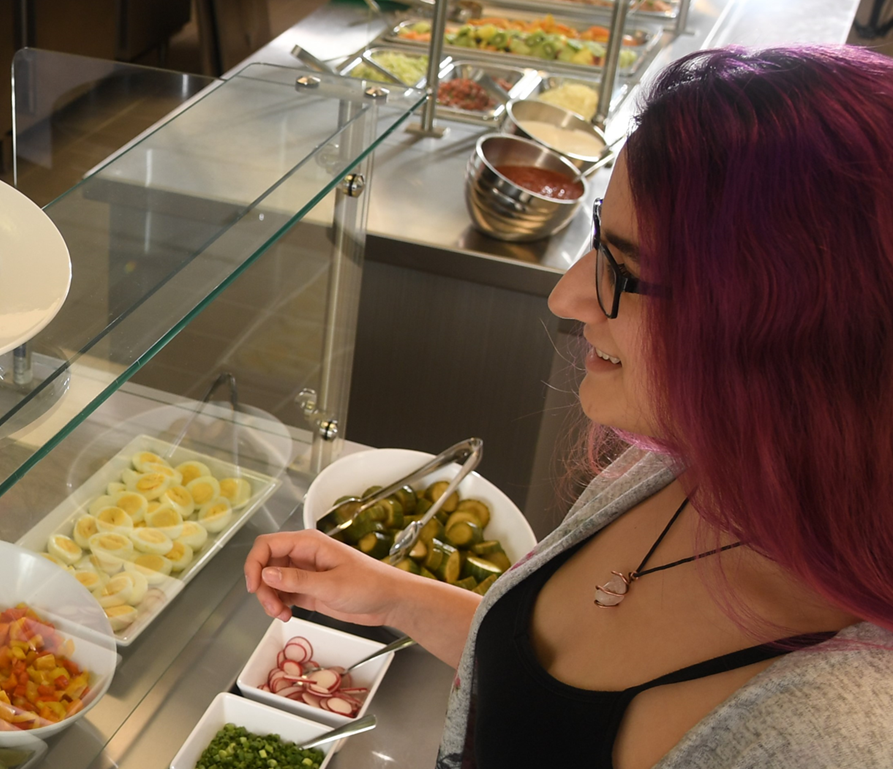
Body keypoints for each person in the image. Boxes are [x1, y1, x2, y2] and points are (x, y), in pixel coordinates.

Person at [245, 45, 893, 769]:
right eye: (597, 239)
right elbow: (554, 707)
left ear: (791, 330)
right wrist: (397, 597)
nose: (567, 297)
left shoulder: (835, 733)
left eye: (624, 269)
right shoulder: (679, 462)